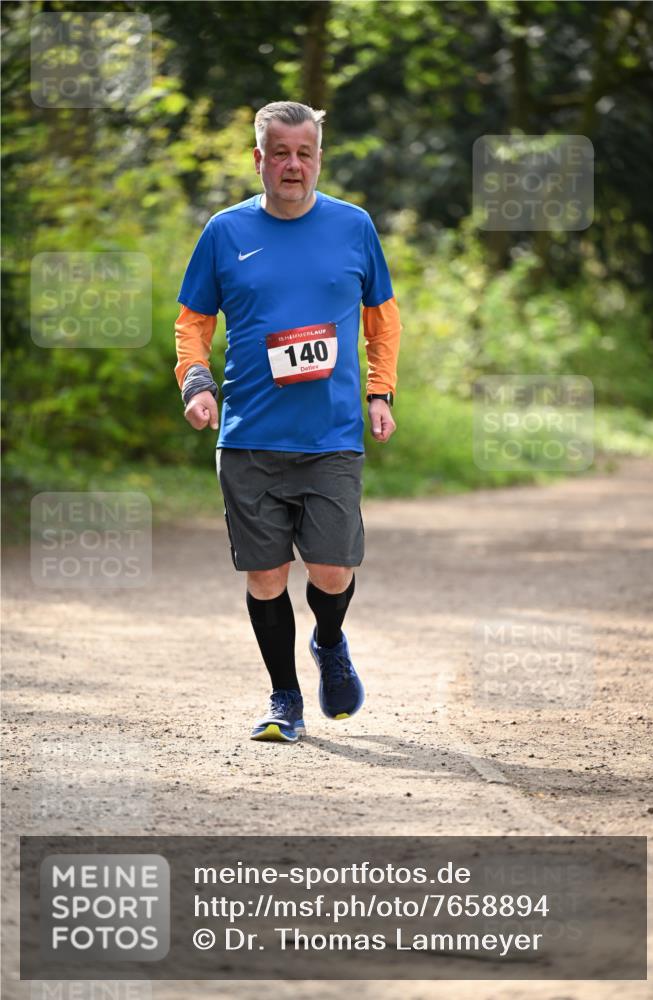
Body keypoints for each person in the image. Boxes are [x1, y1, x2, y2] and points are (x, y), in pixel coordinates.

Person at [174, 101, 401, 743]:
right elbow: (193, 321)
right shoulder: (223, 231)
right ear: (259, 159)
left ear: (319, 158)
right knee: (266, 575)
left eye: (305, 153)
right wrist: (196, 381)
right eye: (281, 153)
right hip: (248, 434)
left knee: (331, 570)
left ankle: (329, 641)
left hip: (330, 437)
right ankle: (284, 699)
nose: (293, 165)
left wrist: (381, 392)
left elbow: (382, 318)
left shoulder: (354, 227)